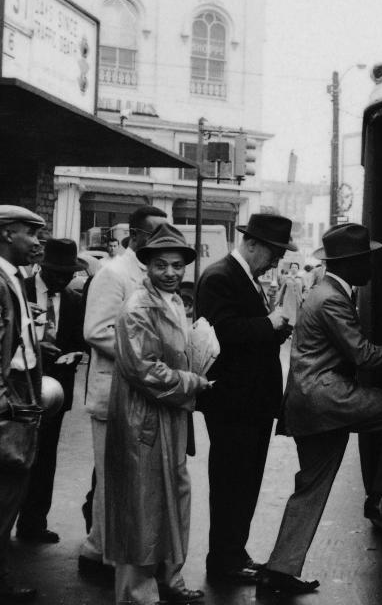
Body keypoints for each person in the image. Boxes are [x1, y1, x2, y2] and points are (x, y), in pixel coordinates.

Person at [259, 223, 382, 595]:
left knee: (311, 487)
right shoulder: (332, 297)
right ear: (351, 263)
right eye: (367, 258)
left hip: (309, 403)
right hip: (327, 399)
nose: (371, 266)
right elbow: (363, 355)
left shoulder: (325, 290)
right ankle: (380, 496)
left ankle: (279, 569)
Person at [103, 223, 210, 605]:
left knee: (172, 495)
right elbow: (143, 368)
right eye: (162, 265)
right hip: (142, 420)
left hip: (169, 415)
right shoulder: (138, 307)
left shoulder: (176, 302)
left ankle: (170, 578)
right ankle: (138, 594)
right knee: (142, 504)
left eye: (177, 265)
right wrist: (191, 381)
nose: (170, 273)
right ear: (147, 265)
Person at [195, 213, 295, 584]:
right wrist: (267, 325)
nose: (277, 260)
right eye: (274, 251)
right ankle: (223, 560)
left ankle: (234, 552)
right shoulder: (221, 276)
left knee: (245, 481)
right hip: (234, 403)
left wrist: (273, 332)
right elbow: (219, 330)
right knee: (231, 482)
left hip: (249, 402)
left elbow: (243, 331)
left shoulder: (245, 278)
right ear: (251, 244)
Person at [80, 206, 168, 581]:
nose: (162, 240)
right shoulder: (114, 274)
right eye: (154, 234)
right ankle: (99, 553)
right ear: (135, 235)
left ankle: (114, 552)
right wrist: (145, 354)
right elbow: (96, 330)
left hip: (139, 393)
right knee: (112, 479)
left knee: (128, 479)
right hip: (113, 392)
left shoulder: (150, 274)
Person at [16, 239, 86, 544]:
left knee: (45, 459)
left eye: (68, 273)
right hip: (21, 389)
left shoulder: (74, 299)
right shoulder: (19, 289)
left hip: (57, 391)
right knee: (15, 457)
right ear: (43, 267)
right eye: (57, 272)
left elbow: (81, 340)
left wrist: (74, 354)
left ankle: (34, 523)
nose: (63, 278)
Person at [0, 205, 45, 603]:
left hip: (21, 395)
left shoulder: (15, 278)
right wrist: (6, 408)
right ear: (5, 234)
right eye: (29, 233)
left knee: (12, 488)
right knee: (6, 488)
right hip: (9, 401)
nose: (37, 241)